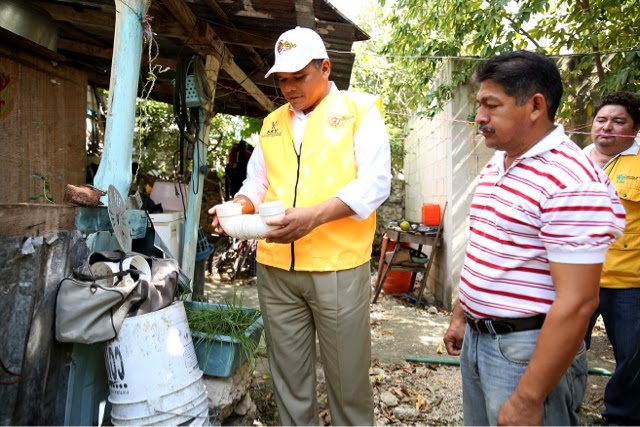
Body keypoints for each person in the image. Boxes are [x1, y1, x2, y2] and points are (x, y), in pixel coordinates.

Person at [209, 26, 391, 425]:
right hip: (277, 269)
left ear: (325, 68)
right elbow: (257, 182)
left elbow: (376, 184)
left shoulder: (359, 111)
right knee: (288, 379)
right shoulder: (272, 123)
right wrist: (237, 207)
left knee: (348, 382)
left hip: (337, 267)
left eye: (299, 77)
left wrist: (313, 217)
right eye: (283, 80)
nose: (289, 88)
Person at [442, 50, 626, 426]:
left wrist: (528, 397)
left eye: (491, 105)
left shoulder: (571, 182)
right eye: (480, 105)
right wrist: (463, 315)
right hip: (483, 339)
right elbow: (486, 248)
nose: (480, 117)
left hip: (525, 351)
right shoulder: (503, 161)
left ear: (535, 106)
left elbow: (577, 302)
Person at [583, 92, 640, 426]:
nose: (607, 127)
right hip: (575, 279)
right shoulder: (574, 161)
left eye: (619, 121)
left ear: (634, 130)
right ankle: (562, 408)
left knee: (633, 358)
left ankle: (621, 418)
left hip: (629, 283)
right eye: (601, 120)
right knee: (566, 350)